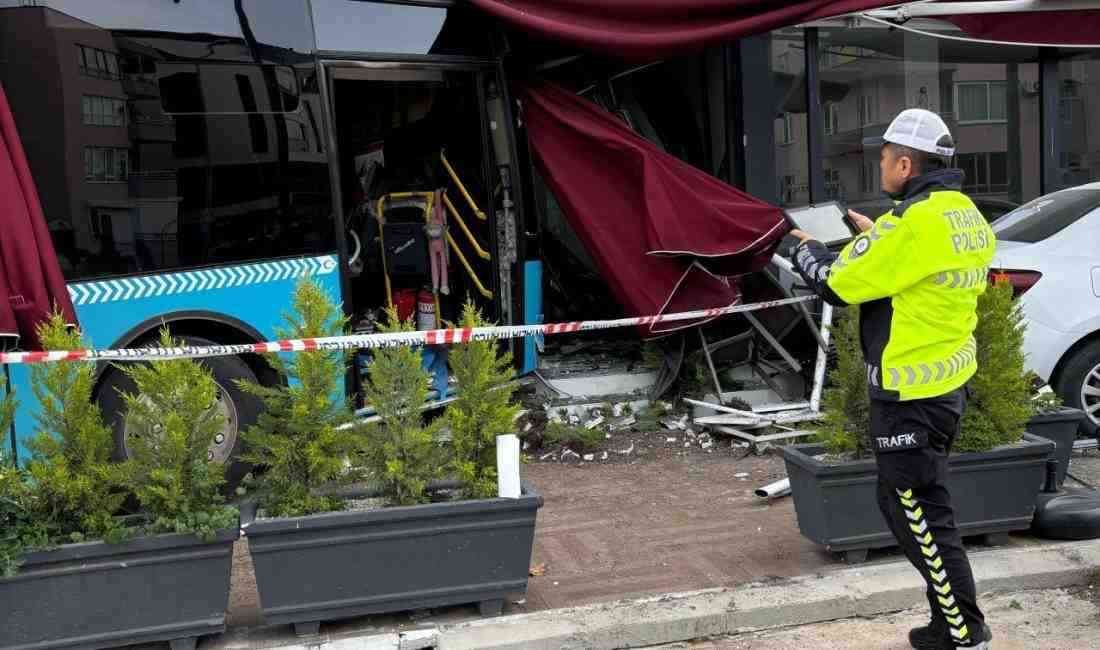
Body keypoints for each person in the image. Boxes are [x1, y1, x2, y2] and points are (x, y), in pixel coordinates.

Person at [788, 108, 996, 650]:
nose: (879, 167)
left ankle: (963, 630)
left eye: (883, 159)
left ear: (905, 164)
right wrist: (877, 234)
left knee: (920, 515)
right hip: (944, 387)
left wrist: (805, 248)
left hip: (910, 397)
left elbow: (836, 284)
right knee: (913, 504)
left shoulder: (912, 227)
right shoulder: (962, 213)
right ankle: (949, 622)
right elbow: (918, 265)